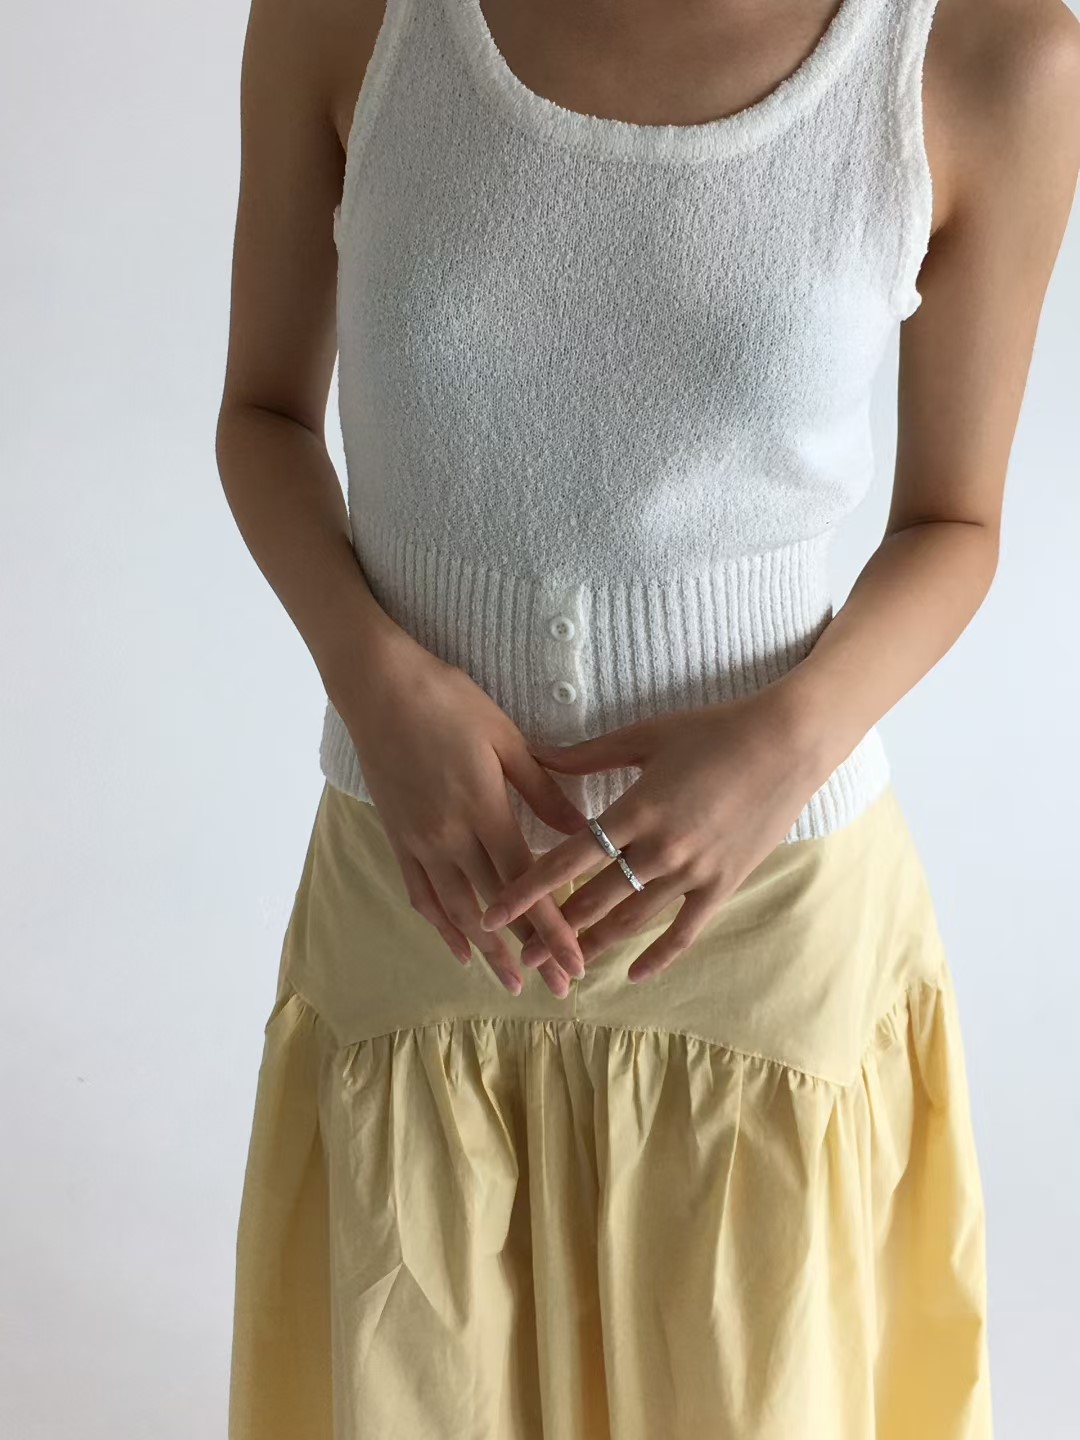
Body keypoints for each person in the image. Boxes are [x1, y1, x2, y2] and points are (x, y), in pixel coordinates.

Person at [217, 0, 1079, 1434]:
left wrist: (786, 744)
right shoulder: (344, 18)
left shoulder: (987, 53)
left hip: (766, 931)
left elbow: (955, 523)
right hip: (425, 904)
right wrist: (374, 679)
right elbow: (263, 416)